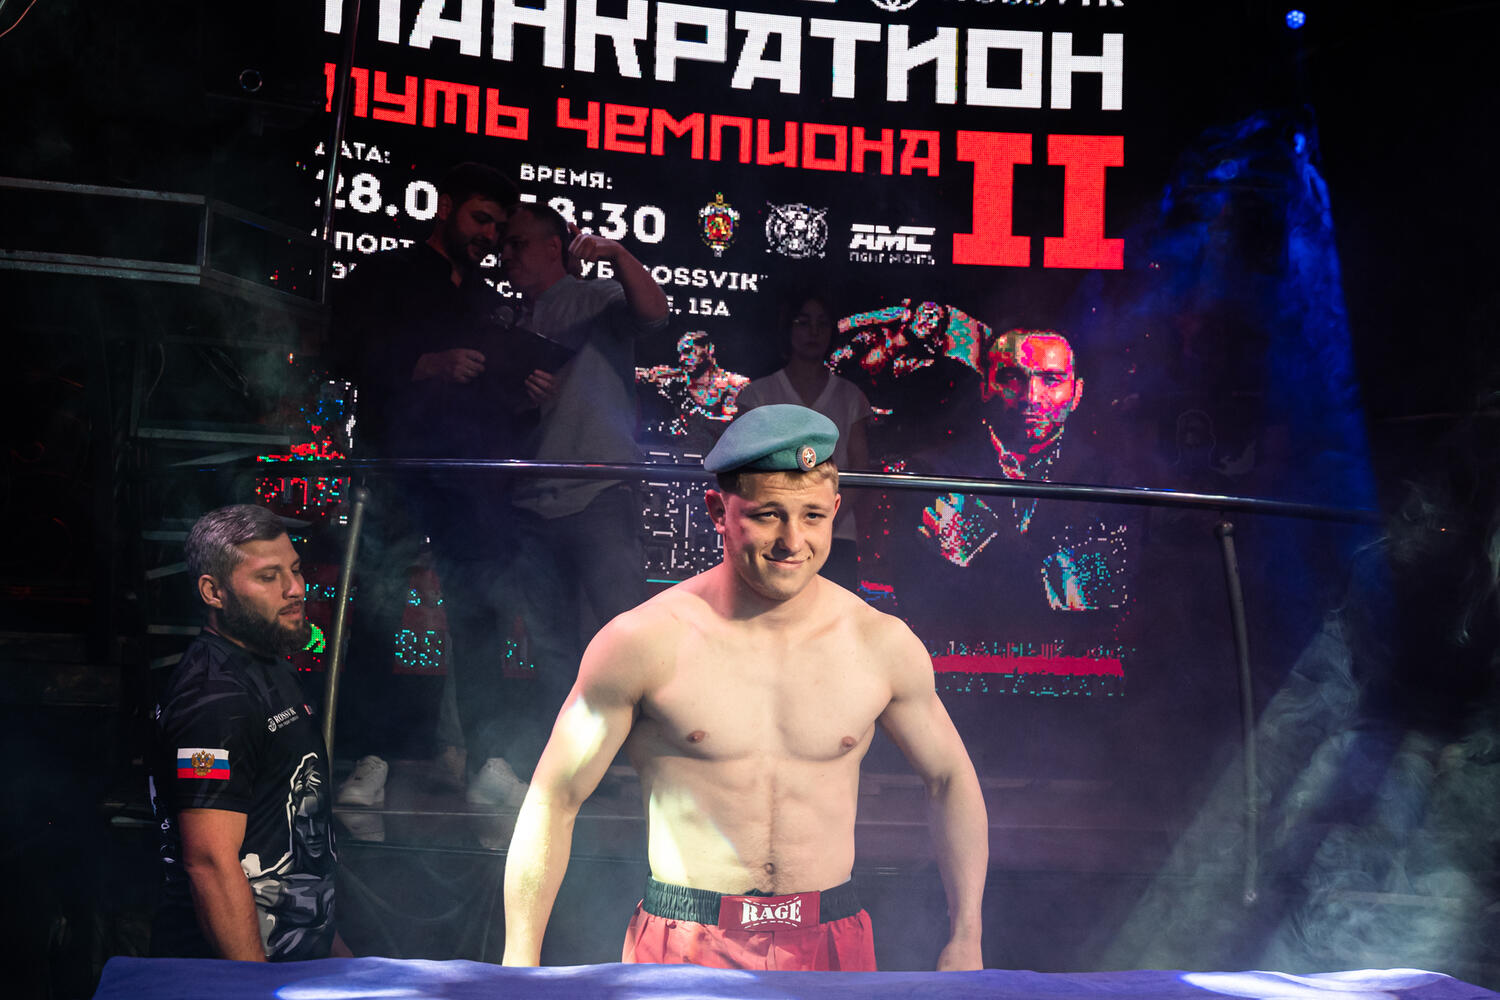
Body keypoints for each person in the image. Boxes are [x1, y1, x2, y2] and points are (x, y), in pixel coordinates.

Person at [502, 405, 988, 971]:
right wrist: (519, 955)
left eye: (812, 515)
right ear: (718, 510)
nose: (792, 540)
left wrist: (967, 935)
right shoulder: (643, 640)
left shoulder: (881, 644)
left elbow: (951, 778)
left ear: (835, 510)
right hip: (684, 942)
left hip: (829, 939)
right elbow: (554, 797)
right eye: (768, 515)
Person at [332, 162, 545, 810]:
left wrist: (528, 391)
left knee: (478, 612)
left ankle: (487, 761)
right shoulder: (385, 273)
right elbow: (340, 350)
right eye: (481, 219)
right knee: (379, 609)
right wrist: (426, 364)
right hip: (395, 463)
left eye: (499, 228)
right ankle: (369, 758)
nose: (488, 236)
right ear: (445, 207)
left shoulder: (486, 299)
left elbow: (495, 391)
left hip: (469, 474)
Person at [500, 201, 669, 780]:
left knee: (625, 631)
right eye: (504, 244)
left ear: (554, 247)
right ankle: (573, 766)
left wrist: (617, 252)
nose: (505, 254)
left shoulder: (594, 297)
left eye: (518, 243)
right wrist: (517, 394)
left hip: (599, 491)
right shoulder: (508, 317)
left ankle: (651, 761)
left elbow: (655, 312)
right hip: (531, 498)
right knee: (551, 646)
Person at [149, 503, 342, 960]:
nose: (295, 589)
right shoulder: (213, 700)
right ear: (213, 592)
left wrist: (333, 953)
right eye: (269, 577)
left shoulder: (270, 664)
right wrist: (253, 987)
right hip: (230, 975)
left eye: (295, 570)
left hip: (293, 964)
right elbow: (210, 863)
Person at [737, 292, 873, 589]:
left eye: (822, 324)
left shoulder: (850, 396)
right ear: (788, 329)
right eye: (803, 322)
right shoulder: (758, 394)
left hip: (836, 533)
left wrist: (826, 518)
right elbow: (743, 466)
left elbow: (860, 468)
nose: (813, 332)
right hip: (769, 533)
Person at [637, 329, 751, 443]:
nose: (682, 359)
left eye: (688, 351)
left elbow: (733, 428)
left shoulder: (736, 385)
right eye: (681, 354)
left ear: (708, 349)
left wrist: (687, 407)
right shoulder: (671, 379)